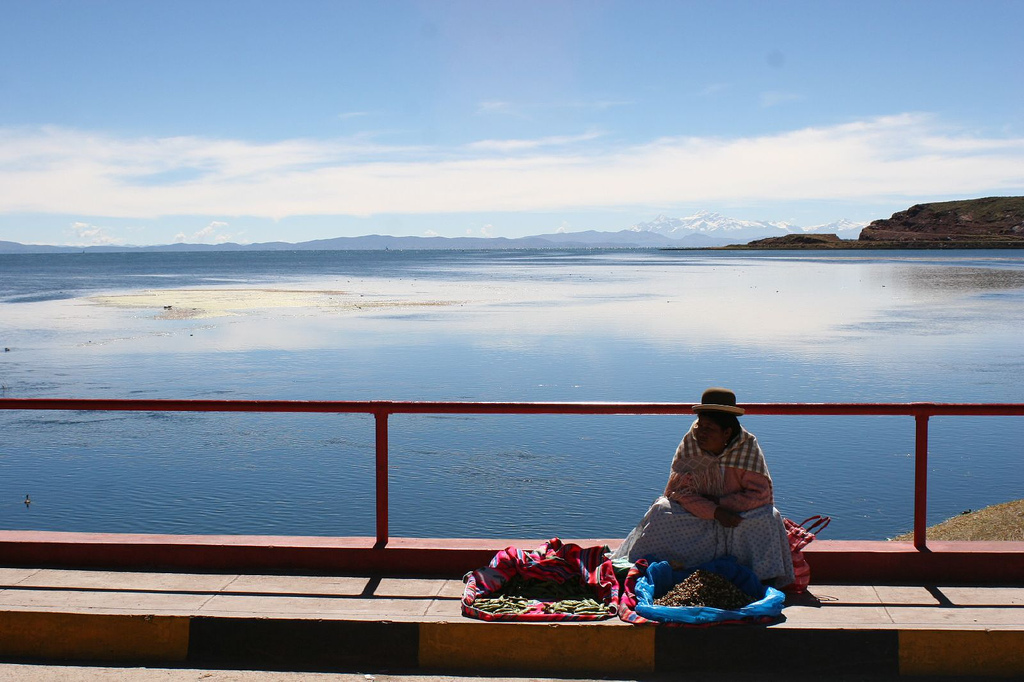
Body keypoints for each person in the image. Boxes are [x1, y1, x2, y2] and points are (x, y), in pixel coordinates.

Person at [611, 387, 795, 587]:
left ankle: (761, 577)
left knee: (768, 516)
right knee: (662, 510)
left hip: (735, 515)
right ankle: (653, 566)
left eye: (709, 429)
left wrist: (723, 505)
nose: (701, 433)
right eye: (700, 426)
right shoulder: (691, 443)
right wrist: (714, 511)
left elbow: (761, 495)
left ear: (727, 432)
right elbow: (679, 492)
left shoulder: (747, 448)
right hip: (696, 512)